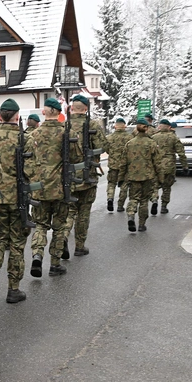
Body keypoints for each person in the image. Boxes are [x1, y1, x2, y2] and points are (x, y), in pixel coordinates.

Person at [0, 98, 35, 304]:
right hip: (18, 199)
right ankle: (13, 289)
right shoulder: (24, 139)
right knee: (17, 244)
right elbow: (31, 170)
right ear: (17, 117)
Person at [29, 98, 81, 278]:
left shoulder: (33, 134)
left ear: (44, 112)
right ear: (59, 113)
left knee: (40, 225)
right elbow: (76, 158)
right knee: (59, 227)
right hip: (61, 187)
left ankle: (37, 255)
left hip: (39, 188)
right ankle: (55, 264)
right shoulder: (67, 132)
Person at [65, 95, 108, 256]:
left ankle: (63, 237)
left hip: (68, 177)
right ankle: (79, 246)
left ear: (72, 108)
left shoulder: (65, 125)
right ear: (85, 109)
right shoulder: (92, 125)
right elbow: (103, 147)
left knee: (69, 211)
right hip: (87, 176)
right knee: (83, 212)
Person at [120, 118, 161, 232]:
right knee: (144, 200)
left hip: (133, 176)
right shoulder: (151, 143)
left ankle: (131, 214)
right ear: (146, 129)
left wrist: (121, 178)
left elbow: (123, 162)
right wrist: (160, 178)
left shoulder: (129, 143)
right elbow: (157, 162)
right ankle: (142, 224)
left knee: (133, 198)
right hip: (147, 176)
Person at [150, 118, 187, 214]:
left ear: (160, 126)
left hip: (156, 165)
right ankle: (164, 206)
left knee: (154, 185)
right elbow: (181, 153)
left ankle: (154, 199)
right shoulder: (174, 137)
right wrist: (185, 166)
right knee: (167, 187)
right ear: (169, 127)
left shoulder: (153, 138)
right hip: (169, 165)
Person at [106, 118, 131, 212]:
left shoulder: (109, 137)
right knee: (124, 185)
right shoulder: (130, 138)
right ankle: (120, 205)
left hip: (113, 165)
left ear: (115, 126)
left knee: (111, 183)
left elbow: (107, 150)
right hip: (125, 166)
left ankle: (110, 198)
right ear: (125, 126)